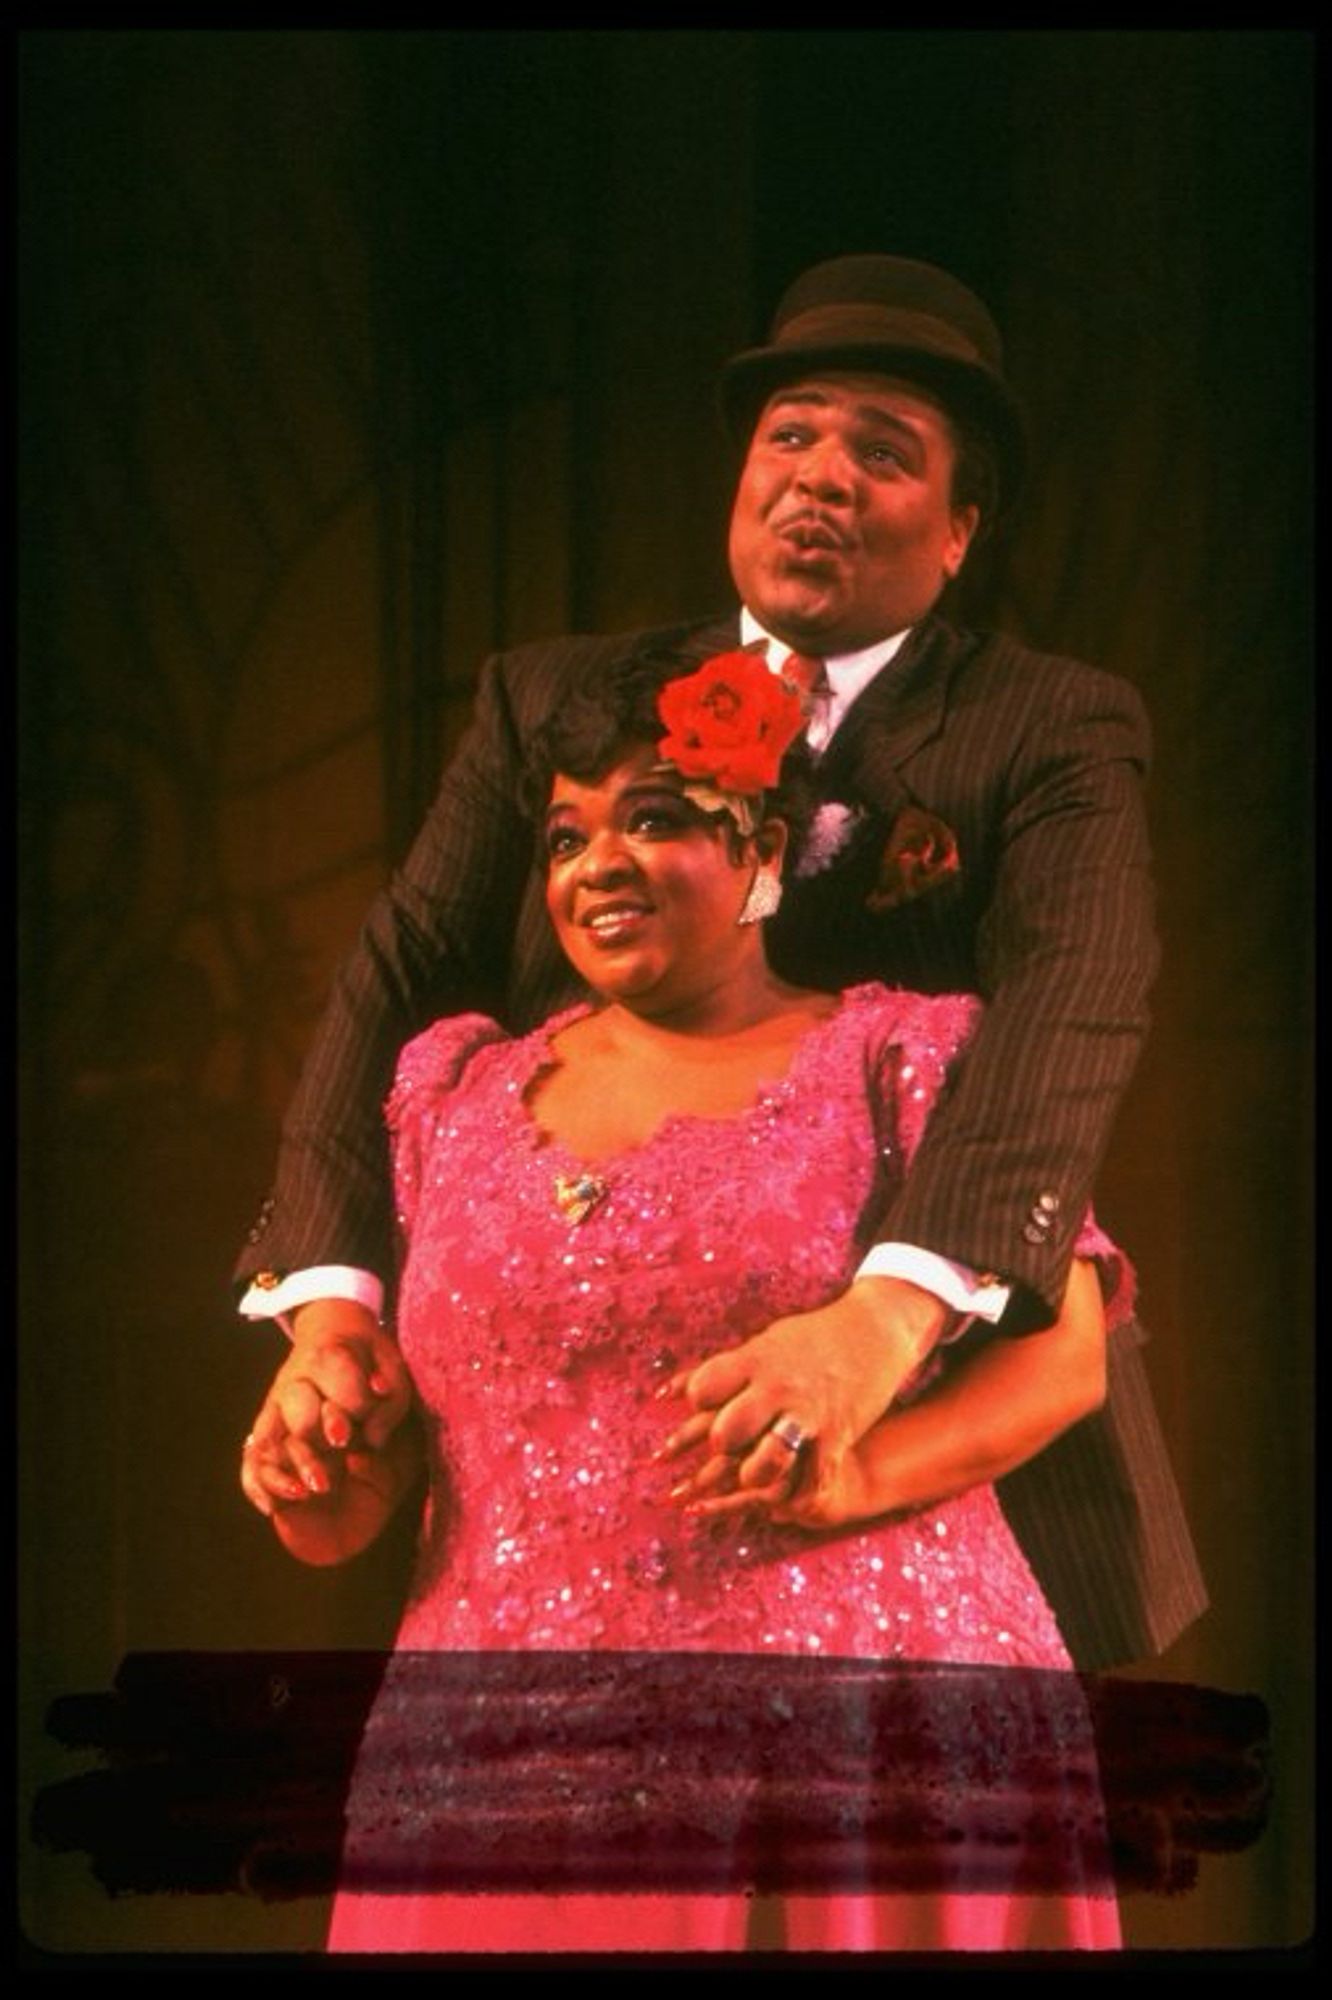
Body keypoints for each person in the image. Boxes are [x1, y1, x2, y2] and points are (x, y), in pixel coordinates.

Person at [237, 253, 1205, 1672]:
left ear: (958, 532)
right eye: (792, 435)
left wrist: (881, 1323)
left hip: (925, 1451)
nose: (821, 478)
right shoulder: (555, 702)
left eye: (884, 453)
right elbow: (404, 976)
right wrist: (331, 1318)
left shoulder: (1046, 729)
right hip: (562, 1466)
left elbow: (1073, 1008)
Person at [243, 649, 1126, 1951]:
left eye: (651, 816)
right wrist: (328, 1481)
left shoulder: (905, 1057)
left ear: (764, 847)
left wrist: (857, 1480)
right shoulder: (450, 1096)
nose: (596, 861)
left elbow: (1068, 1364)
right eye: (564, 835)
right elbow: (420, 1451)